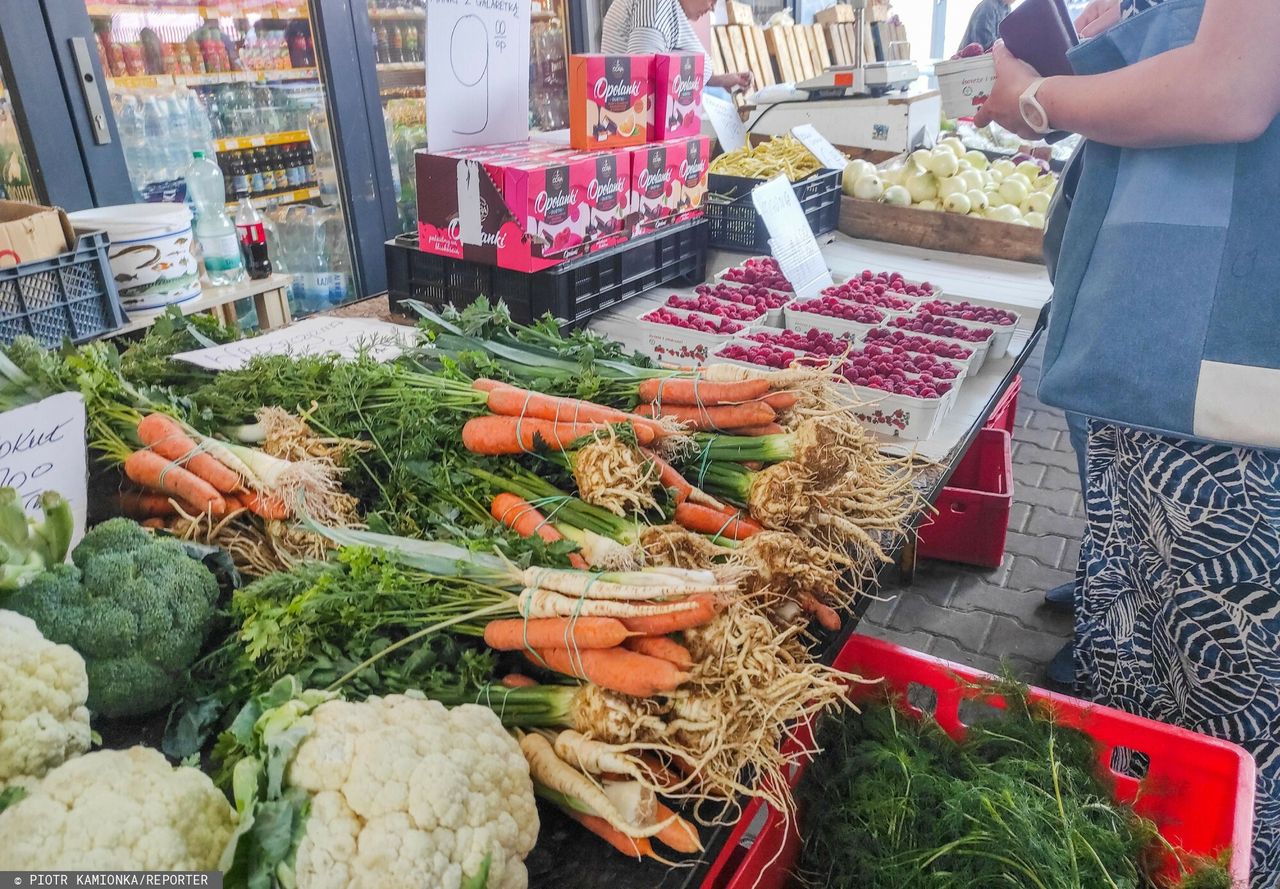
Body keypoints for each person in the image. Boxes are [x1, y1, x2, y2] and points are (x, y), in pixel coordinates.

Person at [974, 0, 1280, 885]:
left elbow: (1230, 90)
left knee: (1210, 729)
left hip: (1220, 404)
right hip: (1180, 378)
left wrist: (1039, 97)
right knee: (1151, 677)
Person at [601, 0, 753, 93]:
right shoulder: (655, 7)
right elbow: (641, 81)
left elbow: (667, 68)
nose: (712, 7)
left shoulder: (670, 10)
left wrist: (717, 81)